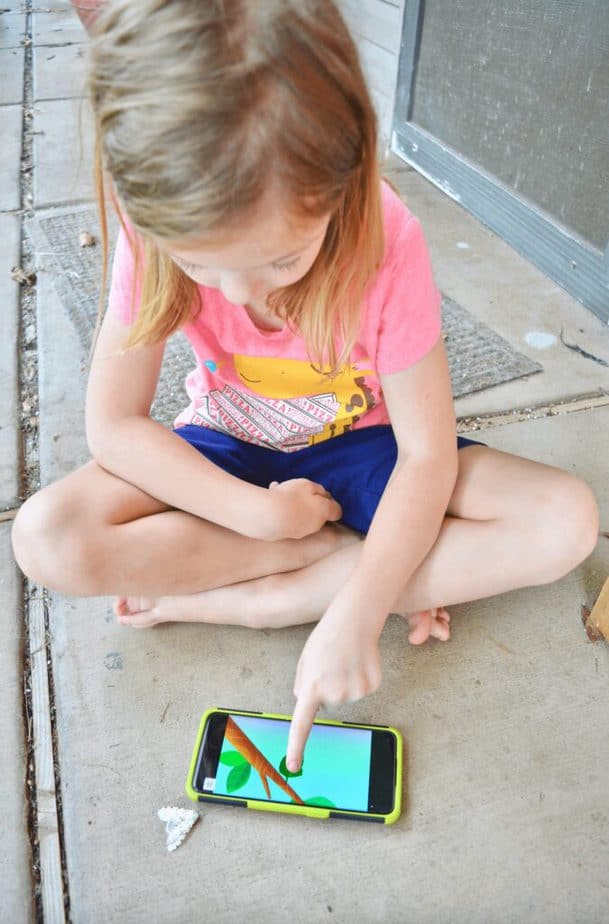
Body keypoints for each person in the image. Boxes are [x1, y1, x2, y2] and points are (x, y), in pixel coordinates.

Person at [12, 0, 599, 773]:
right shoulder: (156, 218)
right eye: (199, 265)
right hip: (227, 441)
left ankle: (278, 598)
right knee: (46, 538)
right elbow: (116, 427)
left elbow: (425, 458)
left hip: (365, 445)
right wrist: (258, 517)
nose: (236, 290)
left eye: (282, 259)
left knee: (564, 519)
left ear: (345, 178)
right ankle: (347, 556)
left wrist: (353, 614)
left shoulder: (385, 238)